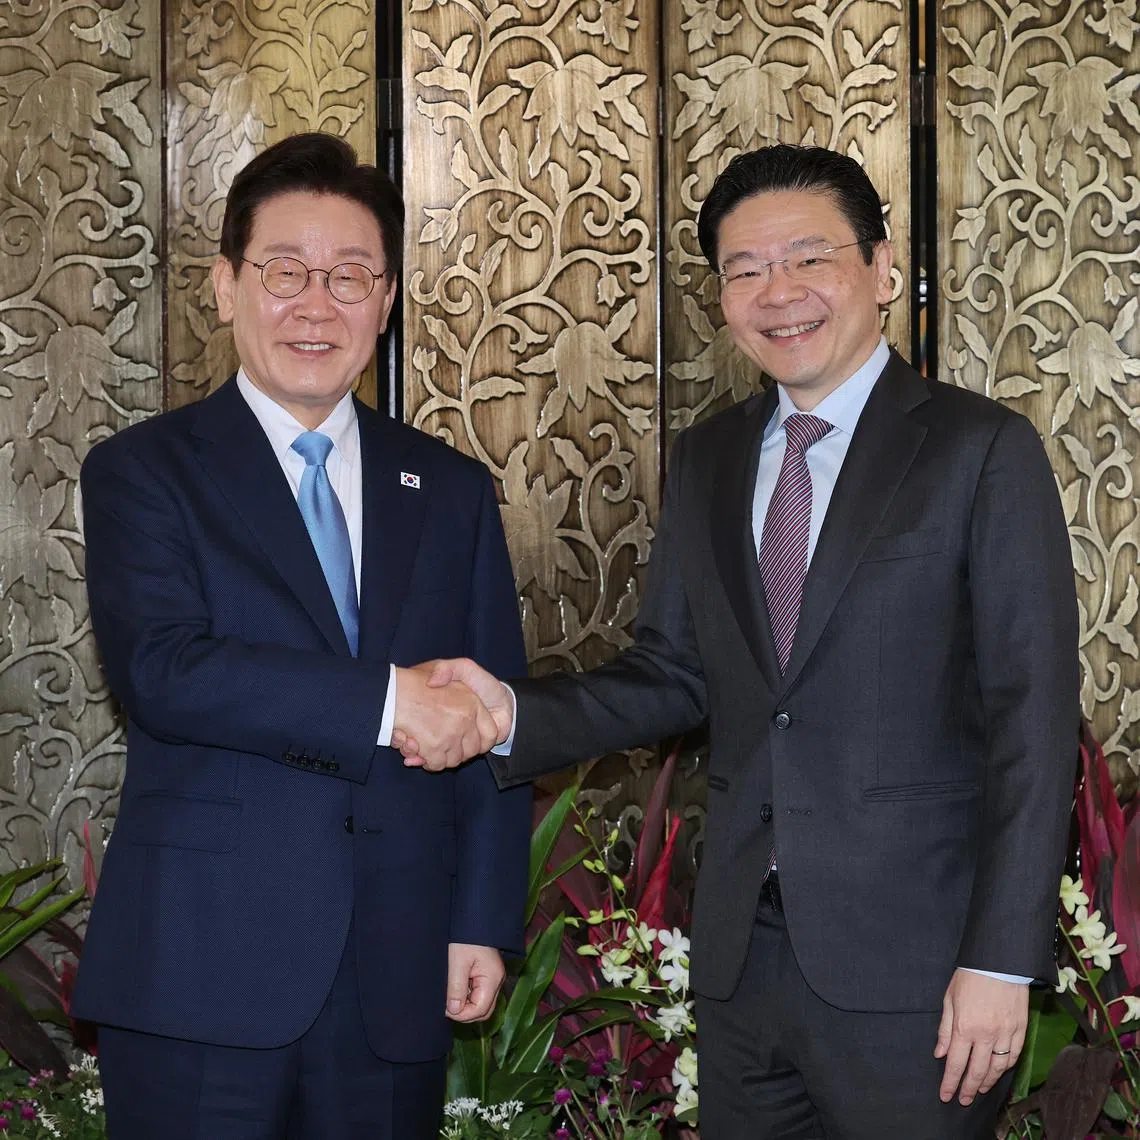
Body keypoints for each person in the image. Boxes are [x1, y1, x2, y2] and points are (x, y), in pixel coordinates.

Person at [395, 144, 1079, 1138]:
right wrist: (506, 712)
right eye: (745, 269)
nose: (779, 292)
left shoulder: (979, 450)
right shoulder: (709, 457)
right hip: (742, 970)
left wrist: (1002, 959)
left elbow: (1033, 720)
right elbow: (673, 674)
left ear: (882, 269)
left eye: (809, 258)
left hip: (921, 975)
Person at [75, 132, 531, 1140]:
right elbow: (164, 670)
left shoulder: (449, 488)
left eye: (350, 276)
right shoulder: (144, 471)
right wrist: (388, 701)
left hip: (396, 970)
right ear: (225, 286)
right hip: (200, 968)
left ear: (387, 300)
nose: (316, 304)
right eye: (285, 271)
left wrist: (481, 919)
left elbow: (492, 712)